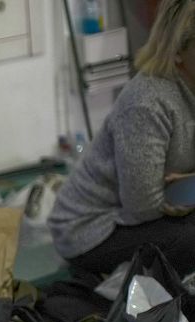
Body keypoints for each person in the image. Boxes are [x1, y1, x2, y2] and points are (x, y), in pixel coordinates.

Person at [48, 0, 195, 277]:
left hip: (158, 206)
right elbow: (144, 206)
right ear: (177, 51)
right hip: (92, 227)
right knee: (189, 240)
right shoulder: (147, 103)